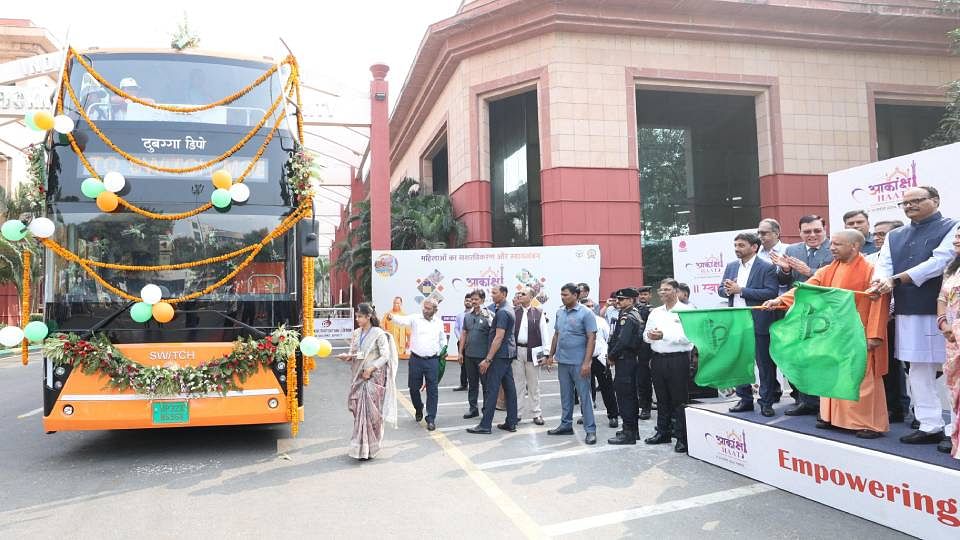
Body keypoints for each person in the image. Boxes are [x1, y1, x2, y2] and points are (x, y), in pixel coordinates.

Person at [766, 230, 891, 438]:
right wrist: (780, 300)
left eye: (837, 245)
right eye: (832, 244)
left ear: (854, 246)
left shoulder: (871, 270)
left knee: (862, 378)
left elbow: (879, 303)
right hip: (834, 334)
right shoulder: (828, 269)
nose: (831, 248)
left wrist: (873, 336)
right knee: (833, 375)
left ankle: (868, 424)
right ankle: (834, 418)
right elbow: (807, 288)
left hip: (859, 334)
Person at [870, 186, 958, 445]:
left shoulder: (953, 227)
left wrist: (895, 280)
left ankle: (955, 428)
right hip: (909, 309)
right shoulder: (895, 235)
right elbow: (883, 264)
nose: (910, 206)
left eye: (918, 200)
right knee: (918, 369)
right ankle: (930, 424)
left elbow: (940, 261)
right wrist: (880, 281)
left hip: (946, 310)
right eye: (905, 203)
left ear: (936, 200)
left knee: (953, 369)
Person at [774, 215, 834, 416]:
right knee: (800, 358)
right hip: (799, 312)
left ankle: (827, 406)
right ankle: (806, 400)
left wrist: (809, 271)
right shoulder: (792, 250)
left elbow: (836, 278)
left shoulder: (835, 247)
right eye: (807, 231)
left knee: (822, 359)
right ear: (800, 232)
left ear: (824, 230)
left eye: (817, 230)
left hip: (826, 313)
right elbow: (785, 280)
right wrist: (784, 269)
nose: (812, 235)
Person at [721, 232, 780, 417]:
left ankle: (766, 402)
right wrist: (728, 290)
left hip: (759, 321)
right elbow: (721, 290)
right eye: (736, 245)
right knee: (740, 362)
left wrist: (742, 290)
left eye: (741, 245)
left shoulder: (767, 267)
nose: (737, 249)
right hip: (737, 321)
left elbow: (771, 292)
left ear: (754, 247)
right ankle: (744, 399)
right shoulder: (731, 267)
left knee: (764, 364)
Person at [337, 303, 398, 460]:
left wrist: (370, 369)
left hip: (374, 378)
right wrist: (347, 356)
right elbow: (357, 354)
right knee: (359, 411)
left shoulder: (378, 333)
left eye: (360, 316)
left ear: (368, 316)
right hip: (359, 376)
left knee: (372, 414)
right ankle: (360, 447)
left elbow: (385, 355)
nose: (357, 319)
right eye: (356, 316)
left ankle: (372, 447)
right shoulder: (357, 333)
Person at [543, 283, 599, 445]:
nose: (563, 297)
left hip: (579, 362)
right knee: (565, 395)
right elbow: (556, 335)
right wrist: (550, 355)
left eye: (566, 294)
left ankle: (590, 430)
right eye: (561, 294)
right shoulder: (560, 312)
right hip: (563, 361)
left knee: (585, 397)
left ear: (576, 295)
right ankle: (566, 424)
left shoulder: (586, 313)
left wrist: (587, 362)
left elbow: (591, 338)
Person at [643, 279, 695, 453]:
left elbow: (689, 338)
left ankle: (682, 438)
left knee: (679, 400)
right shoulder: (655, 312)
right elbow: (645, 335)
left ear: (676, 291)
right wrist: (651, 336)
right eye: (661, 290)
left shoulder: (686, 311)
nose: (663, 293)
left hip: (678, 359)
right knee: (662, 398)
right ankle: (663, 432)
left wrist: (663, 336)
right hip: (658, 358)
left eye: (667, 289)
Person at [869, 220, 910, 424]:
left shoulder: (908, 261)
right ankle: (892, 407)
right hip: (880, 320)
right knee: (888, 366)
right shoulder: (869, 260)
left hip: (904, 316)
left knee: (912, 367)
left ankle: (910, 409)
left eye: (883, 234)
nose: (877, 238)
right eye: (875, 234)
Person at [384, 298, 446, 431]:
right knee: (413, 388)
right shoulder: (415, 319)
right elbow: (401, 320)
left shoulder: (439, 323)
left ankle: (431, 418)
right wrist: (391, 317)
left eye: (428, 308)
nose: (425, 310)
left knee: (432, 390)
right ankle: (419, 408)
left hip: (432, 360)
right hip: (416, 360)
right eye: (424, 307)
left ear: (435, 310)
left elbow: (442, 339)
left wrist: (443, 349)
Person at [467, 285, 519, 434]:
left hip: (499, 356)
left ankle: (485, 425)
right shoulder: (508, 309)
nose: (492, 295)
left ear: (503, 294)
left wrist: (488, 359)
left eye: (495, 293)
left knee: (491, 389)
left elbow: (499, 337)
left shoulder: (502, 312)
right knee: (509, 389)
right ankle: (511, 422)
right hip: (507, 354)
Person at [607, 288, 644, 444]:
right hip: (627, 360)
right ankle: (631, 430)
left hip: (626, 360)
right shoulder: (629, 313)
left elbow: (623, 341)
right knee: (628, 396)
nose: (618, 302)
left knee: (625, 397)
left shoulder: (629, 317)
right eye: (617, 299)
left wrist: (612, 356)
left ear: (630, 300)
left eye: (621, 299)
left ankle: (629, 433)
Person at [936, 228, 960, 457]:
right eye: (956, 236)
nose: (956, 240)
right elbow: (942, 299)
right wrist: (944, 325)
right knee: (955, 390)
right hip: (952, 337)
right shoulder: (951, 268)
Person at [514, 286, 551, 425]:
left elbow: (544, 334)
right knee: (518, 384)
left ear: (530, 297)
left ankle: (536, 413)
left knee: (533, 384)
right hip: (517, 351)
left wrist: (546, 354)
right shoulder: (514, 312)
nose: (520, 296)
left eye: (523, 294)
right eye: (519, 294)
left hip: (534, 352)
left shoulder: (539, 313)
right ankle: (516, 413)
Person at [582, 298, 619, 429]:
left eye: (592, 306)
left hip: (600, 359)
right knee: (585, 389)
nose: (591, 308)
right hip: (584, 359)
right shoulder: (578, 321)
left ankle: (613, 415)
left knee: (607, 388)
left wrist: (610, 356)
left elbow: (610, 338)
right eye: (587, 306)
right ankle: (585, 415)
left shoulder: (601, 321)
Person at [459, 289, 493, 419]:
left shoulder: (488, 315)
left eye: (476, 299)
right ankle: (473, 409)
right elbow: (464, 334)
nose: (474, 302)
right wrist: (460, 352)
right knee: (472, 384)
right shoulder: (467, 316)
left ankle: (486, 410)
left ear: (483, 300)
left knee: (486, 385)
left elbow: (495, 334)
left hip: (483, 357)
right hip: (469, 355)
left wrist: (489, 358)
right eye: (472, 299)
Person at [635, 285, 654, 419]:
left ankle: (648, 404)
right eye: (641, 295)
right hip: (638, 349)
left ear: (650, 296)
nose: (643, 297)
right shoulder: (634, 310)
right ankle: (644, 406)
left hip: (651, 348)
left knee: (650, 379)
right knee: (641, 379)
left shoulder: (653, 311)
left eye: (646, 294)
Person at [452, 294, 472, 391]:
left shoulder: (475, 315)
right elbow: (456, 328)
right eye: (466, 300)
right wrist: (460, 338)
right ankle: (463, 384)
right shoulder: (460, 315)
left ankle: (473, 384)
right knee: (463, 364)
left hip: (472, 344)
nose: (468, 302)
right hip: (461, 343)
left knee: (472, 364)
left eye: (469, 300)